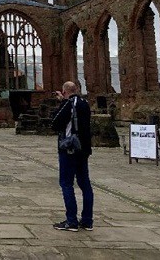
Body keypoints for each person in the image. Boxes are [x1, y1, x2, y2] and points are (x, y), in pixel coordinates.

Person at [51, 81, 93, 231]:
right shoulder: (85, 103)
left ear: (64, 91)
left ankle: (71, 221)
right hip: (84, 150)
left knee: (67, 183)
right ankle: (87, 221)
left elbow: (55, 123)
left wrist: (61, 103)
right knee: (85, 184)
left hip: (70, 149)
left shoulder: (69, 103)